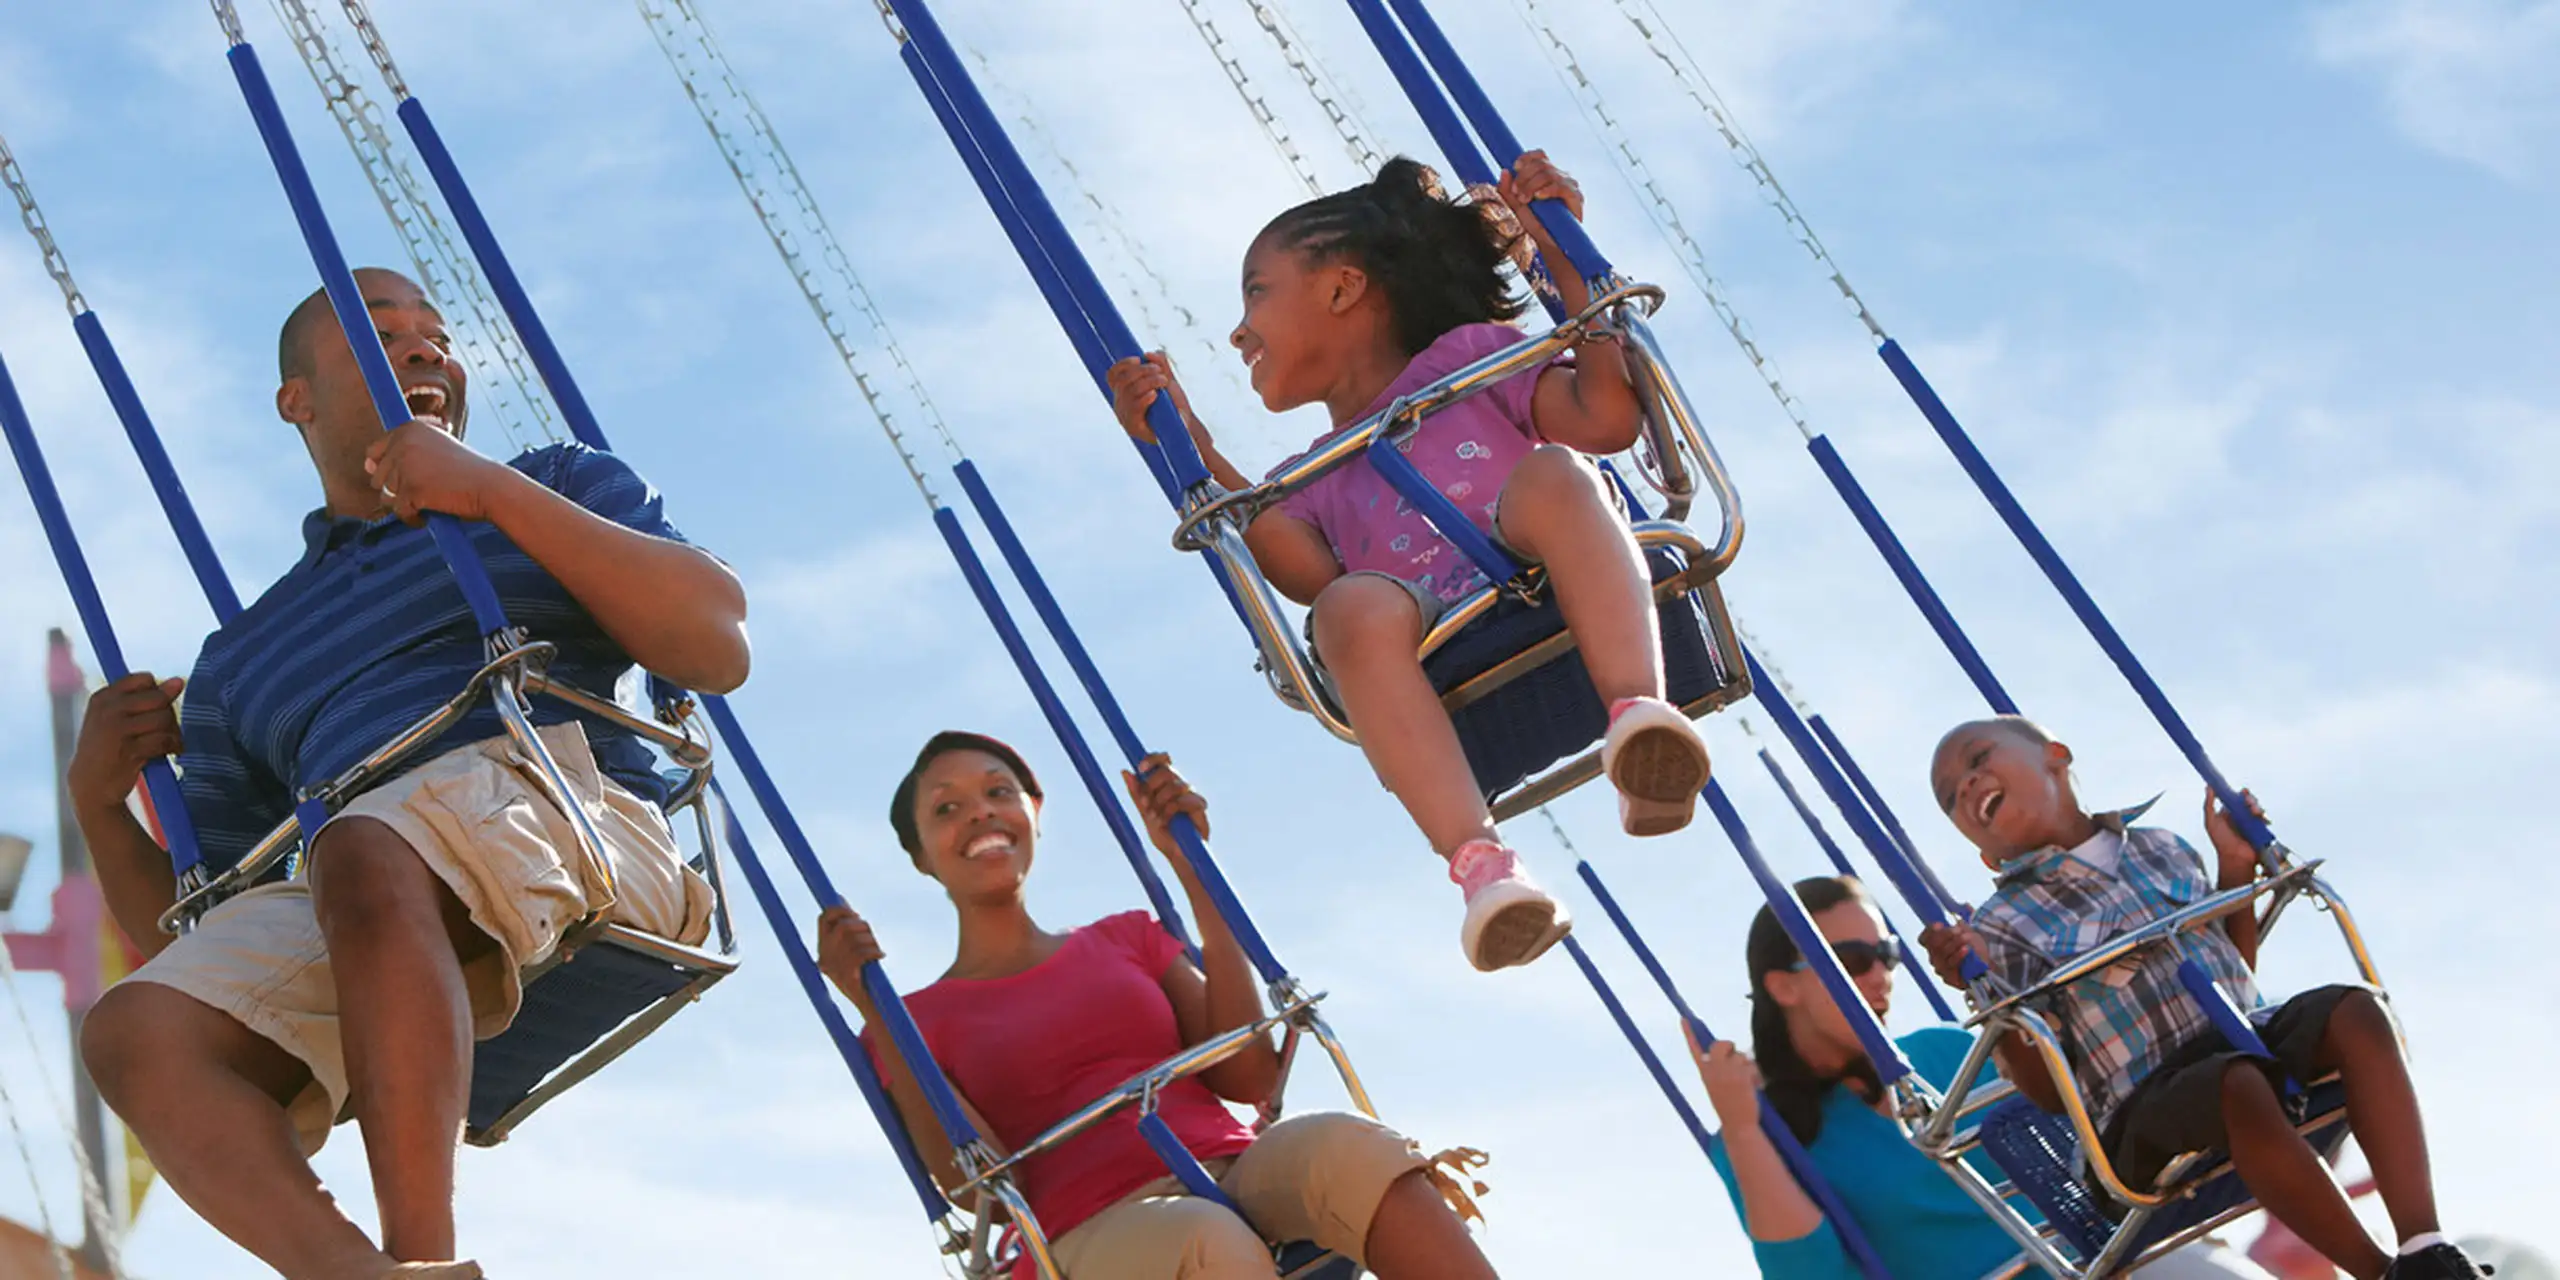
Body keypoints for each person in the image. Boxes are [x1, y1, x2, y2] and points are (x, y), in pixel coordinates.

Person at [67, 268, 747, 1280]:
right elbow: (200, 922)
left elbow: (714, 644)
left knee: (364, 840)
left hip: (576, 812)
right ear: (296, 396)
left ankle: (425, 1258)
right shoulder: (241, 657)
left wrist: (488, 492)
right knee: (137, 1027)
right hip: (379, 876)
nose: (426, 348)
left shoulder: (552, 483)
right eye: (381, 334)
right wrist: (97, 802)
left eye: (435, 333)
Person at [1105, 153, 1711, 973]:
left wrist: (1564, 258)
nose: (1239, 330)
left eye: (1256, 292)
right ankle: (1484, 871)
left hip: (1539, 562)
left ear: (1342, 288)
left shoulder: (1472, 361)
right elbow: (1297, 569)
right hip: (1438, 640)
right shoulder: (1315, 476)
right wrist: (1188, 443)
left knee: (1558, 474)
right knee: (1347, 611)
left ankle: (1638, 716)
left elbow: (1603, 416)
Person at [818, 732, 1496, 1280]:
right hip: (1084, 1235)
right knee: (1207, 1239)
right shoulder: (909, 1021)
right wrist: (876, 1014)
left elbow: (1248, 1077)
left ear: (1034, 813)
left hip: (1231, 1170)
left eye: (999, 792)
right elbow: (982, 1189)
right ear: (919, 858)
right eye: (946, 808)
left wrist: (1193, 873)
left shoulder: (1128, 937)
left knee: (1355, 1149)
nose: (980, 813)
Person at [1918, 715, 2482, 1280]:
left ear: (2057, 758)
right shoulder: (2000, 927)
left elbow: (2230, 967)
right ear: (1984, 854)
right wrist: (1987, 990)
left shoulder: (2164, 848)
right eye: (1950, 797)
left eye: (1977, 760)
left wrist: (2235, 867)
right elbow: (2045, 1090)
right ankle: (2379, 1274)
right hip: (2136, 1112)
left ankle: (2423, 1249)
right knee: (2235, 1082)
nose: (1965, 785)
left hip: (2239, 1042)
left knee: (2356, 1010)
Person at [1694, 876, 2277, 1280]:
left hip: (2114, 1259)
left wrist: (2010, 991)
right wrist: (1744, 1132)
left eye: (1887, 954)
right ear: (1782, 986)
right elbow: (1809, 1274)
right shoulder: (1760, 1136)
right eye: (1849, 961)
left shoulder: (1949, 1053)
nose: (1879, 976)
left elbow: (2093, 1143)